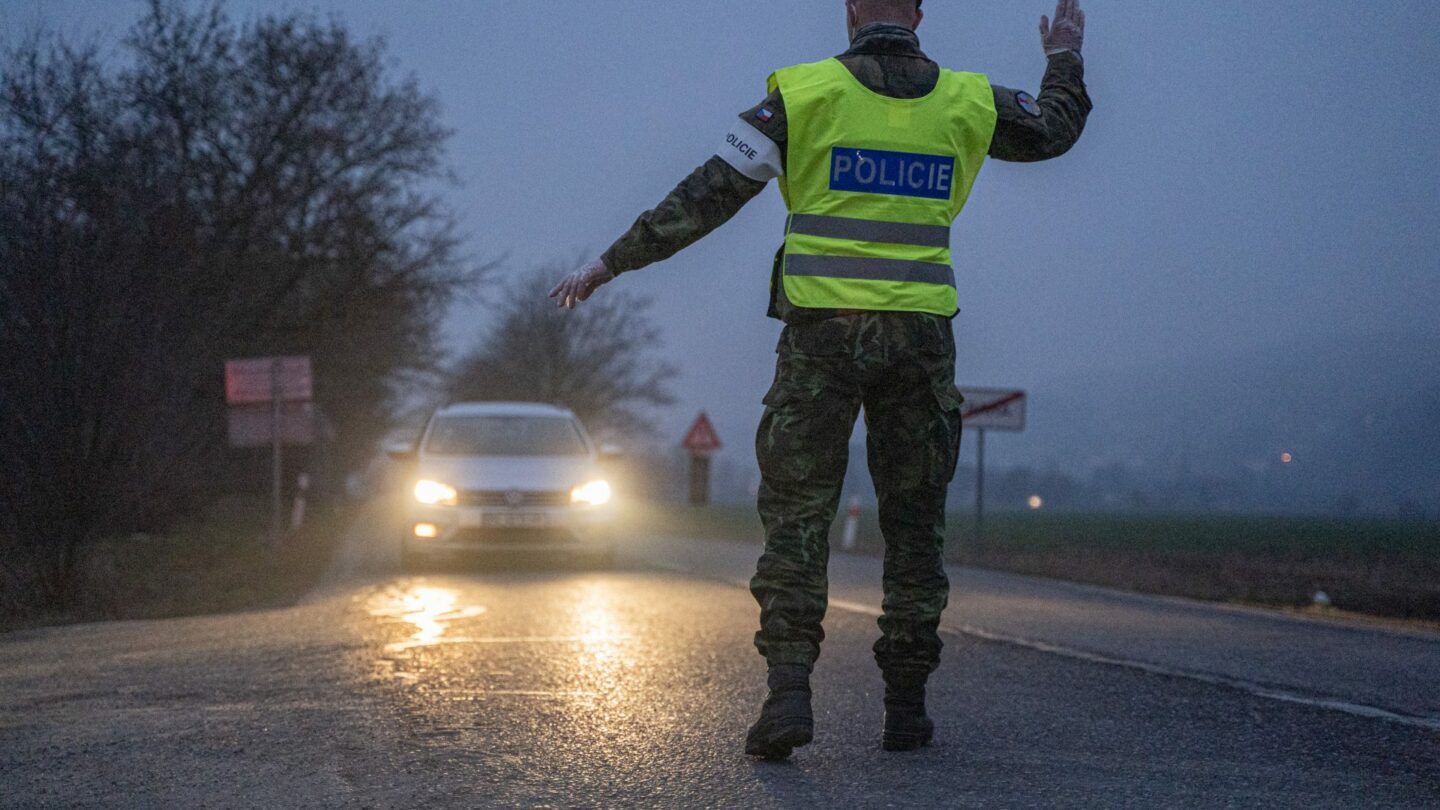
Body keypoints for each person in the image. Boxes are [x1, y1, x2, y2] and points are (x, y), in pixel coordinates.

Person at [551, 0, 1091, 759]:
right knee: (913, 524)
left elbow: (705, 196)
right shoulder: (968, 100)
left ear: (848, 13)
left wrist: (611, 262)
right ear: (920, 14)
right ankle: (905, 706)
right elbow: (1057, 130)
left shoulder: (801, 96)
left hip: (820, 341)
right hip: (919, 340)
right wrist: (1063, 54)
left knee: (799, 518)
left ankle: (789, 696)